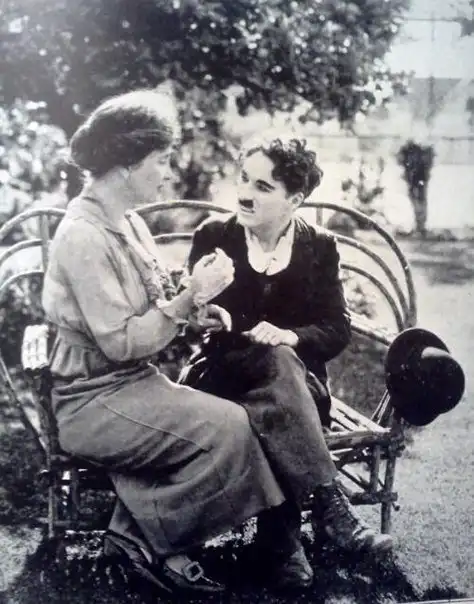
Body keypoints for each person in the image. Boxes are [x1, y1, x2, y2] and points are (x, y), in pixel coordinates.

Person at [41, 90, 310, 597]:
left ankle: (138, 535)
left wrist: (194, 311)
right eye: (160, 160)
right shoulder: (83, 235)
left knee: (233, 424)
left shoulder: (126, 222)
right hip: (91, 400)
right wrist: (188, 298)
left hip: (129, 385)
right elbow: (123, 343)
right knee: (229, 430)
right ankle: (147, 540)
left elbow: (155, 311)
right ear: (126, 164)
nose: (167, 174)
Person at [180, 133, 394, 586]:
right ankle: (315, 518)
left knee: (281, 369)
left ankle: (282, 546)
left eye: (262, 186)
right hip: (221, 378)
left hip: (295, 386)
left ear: (295, 199)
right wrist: (207, 314)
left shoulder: (319, 246)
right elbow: (191, 313)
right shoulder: (214, 236)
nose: (244, 194)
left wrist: (291, 336)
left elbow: (336, 328)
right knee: (280, 384)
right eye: (243, 179)